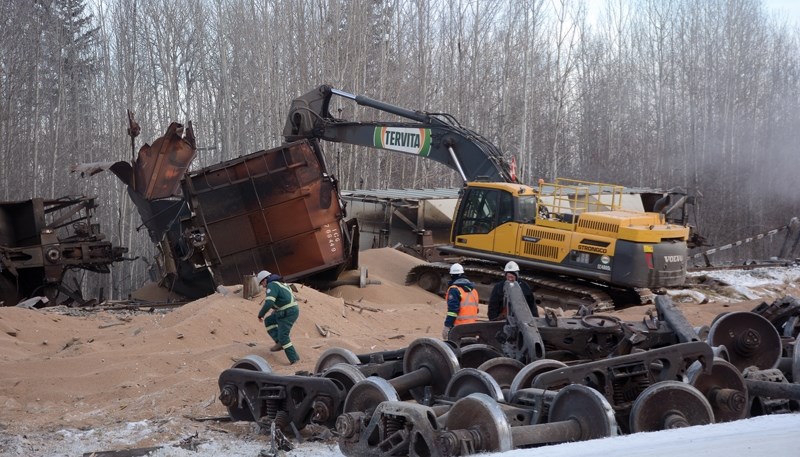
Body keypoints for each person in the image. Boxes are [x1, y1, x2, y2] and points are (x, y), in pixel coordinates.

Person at [256, 270, 300, 365]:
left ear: (265, 279)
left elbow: (269, 302)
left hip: (287, 312)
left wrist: (261, 314)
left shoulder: (271, 285)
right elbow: (283, 299)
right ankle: (279, 342)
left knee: (284, 337)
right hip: (288, 310)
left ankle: (294, 359)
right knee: (269, 321)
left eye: (262, 283)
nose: (263, 286)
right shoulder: (280, 284)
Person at [442, 263, 480, 340]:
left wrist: (447, 326)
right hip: (473, 327)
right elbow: (476, 309)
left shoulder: (454, 290)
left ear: (452, 275)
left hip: (459, 328)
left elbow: (452, 311)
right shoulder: (473, 290)